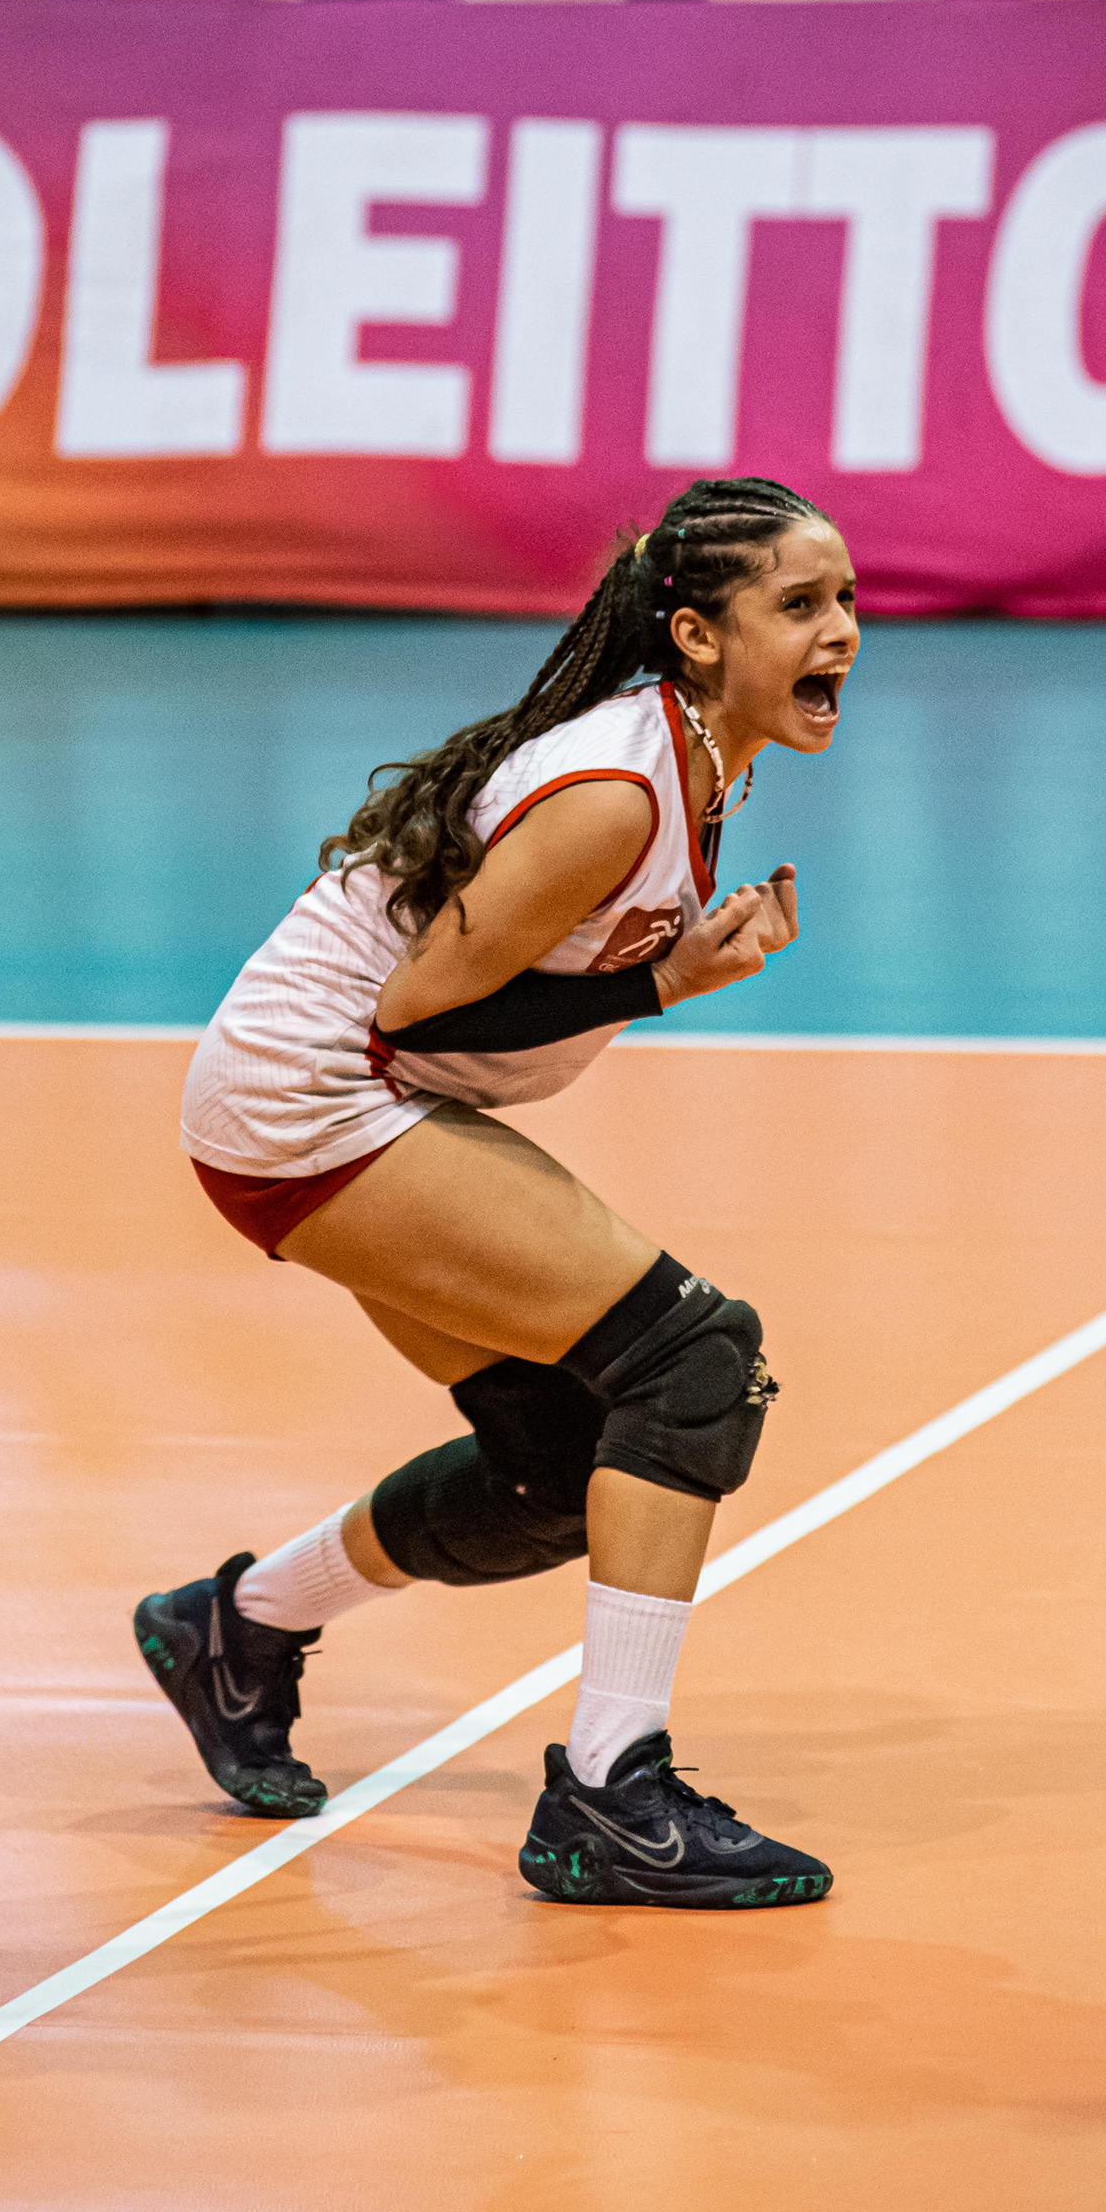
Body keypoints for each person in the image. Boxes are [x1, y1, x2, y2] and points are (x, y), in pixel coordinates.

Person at [136, 475, 859, 1910]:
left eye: (845, 599)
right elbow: (418, 1008)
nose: (841, 629)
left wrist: (667, 973)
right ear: (700, 636)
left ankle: (237, 1628)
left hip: (352, 1099)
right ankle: (613, 1793)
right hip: (319, 1099)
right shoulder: (617, 792)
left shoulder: (702, 754)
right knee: (694, 1361)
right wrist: (663, 982)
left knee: (555, 1473)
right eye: (800, 604)